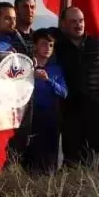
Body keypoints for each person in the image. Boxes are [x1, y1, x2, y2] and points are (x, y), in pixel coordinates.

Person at [55, 7, 99, 168]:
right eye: (73, 21)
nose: (78, 25)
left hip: (97, 111)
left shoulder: (98, 44)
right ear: (63, 24)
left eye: (81, 20)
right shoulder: (58, 48)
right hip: (70, 112)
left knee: (96, 157)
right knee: (72, 158)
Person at [23, 29, 68, 174]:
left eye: (50, 45)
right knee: (30, 154)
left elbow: (64, 92)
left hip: (50, 116)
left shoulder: (56, 69)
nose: (47, 48)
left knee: (49, 155)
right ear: (35, 46)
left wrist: (48, 81)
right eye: (43, 44)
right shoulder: (26, 66)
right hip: (30, 116)